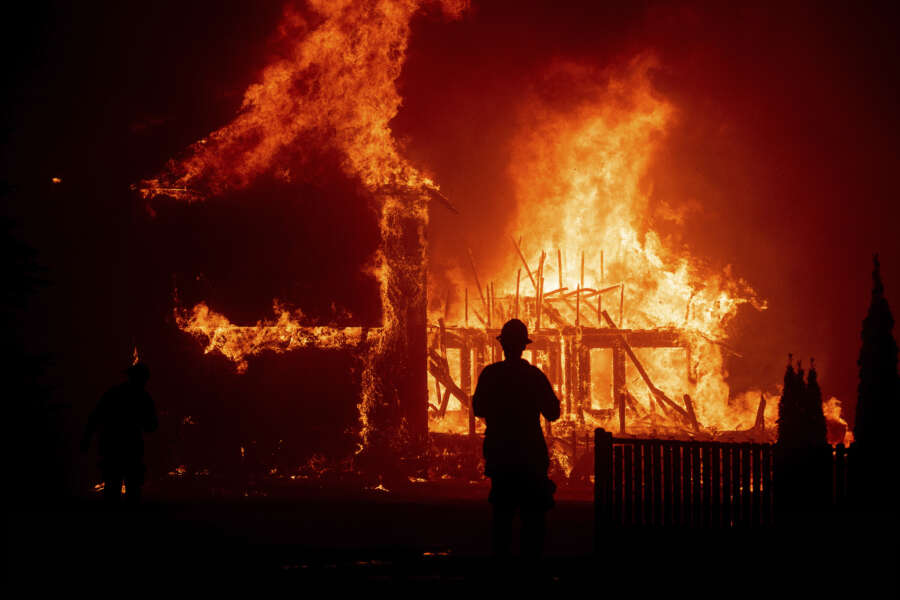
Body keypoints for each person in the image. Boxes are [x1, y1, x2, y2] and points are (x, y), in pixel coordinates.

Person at [473, 319, 561, 561]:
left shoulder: (490, 374)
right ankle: (530, 574)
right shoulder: (534, 376)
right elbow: (553, 413)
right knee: (533, 521)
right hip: (530, 458)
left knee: (502, 519)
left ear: (503, 346)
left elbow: (478, 408)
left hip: (501, 457)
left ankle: (502, 574)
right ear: (524, 347)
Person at [82, 362, 158, 504]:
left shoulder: (115, 393)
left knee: (114, 488)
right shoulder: (143, 397)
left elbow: (95, 416)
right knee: (129, 489)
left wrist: (87, 438)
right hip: (127, 448)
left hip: (113, 447)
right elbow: (151, 426)